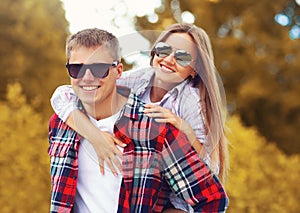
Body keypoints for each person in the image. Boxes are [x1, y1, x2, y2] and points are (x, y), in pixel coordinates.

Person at [51, 23, 229, 212]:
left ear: (195, 69)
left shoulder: (189, 105)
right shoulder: (137, 78)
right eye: (163, 50)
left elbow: (208, 175)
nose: (169, 59)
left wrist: (185, 130)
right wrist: (96, 137)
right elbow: (65, 94)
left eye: (183, 57)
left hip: (177, 198)